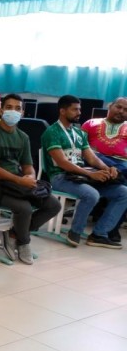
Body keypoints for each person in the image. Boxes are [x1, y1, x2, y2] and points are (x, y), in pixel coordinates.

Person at [0, 93, 61, 264]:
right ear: (0, 110)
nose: (13, 111)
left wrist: (29, 176)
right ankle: (24, 242)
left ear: (23, 113)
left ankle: (13, 234)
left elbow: (28, 166)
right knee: (24, 209)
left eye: (17, 108)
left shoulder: (23, 137)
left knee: (53, 205)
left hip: (17, 184)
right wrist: (20, 180)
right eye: (9, 107)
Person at [41, 95, 127, 248]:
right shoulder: (52, 132)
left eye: (79, 109)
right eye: (75, 109)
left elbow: (92, 158)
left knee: (123, 192)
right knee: (91, 194)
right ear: (62, 111)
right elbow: (62, 163)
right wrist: (90, 174)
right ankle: (75, 232)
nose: (79, 112)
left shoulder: (79, 133)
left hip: (81, 177)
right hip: (61, 176)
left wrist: (107, 169)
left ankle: (99, 234)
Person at [82, 97, 127, 176]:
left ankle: (117, 173)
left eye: (126, 110)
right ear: (110, 106)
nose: (121, 111)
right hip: (96, 160)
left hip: (121, 161)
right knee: (91, 153)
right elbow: (79, 146)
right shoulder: (90, 123)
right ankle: (118, 172)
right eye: (118, 107)